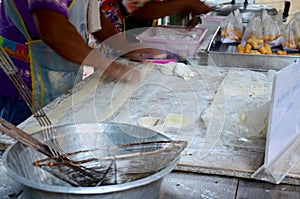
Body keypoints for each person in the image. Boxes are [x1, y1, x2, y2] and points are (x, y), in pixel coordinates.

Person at [0, 0, 141, 125]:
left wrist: (125, 47)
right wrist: (109, 66)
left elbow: (92, 15)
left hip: (53, 72)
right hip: (20, 84)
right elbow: (54, 30)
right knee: (22, 147)